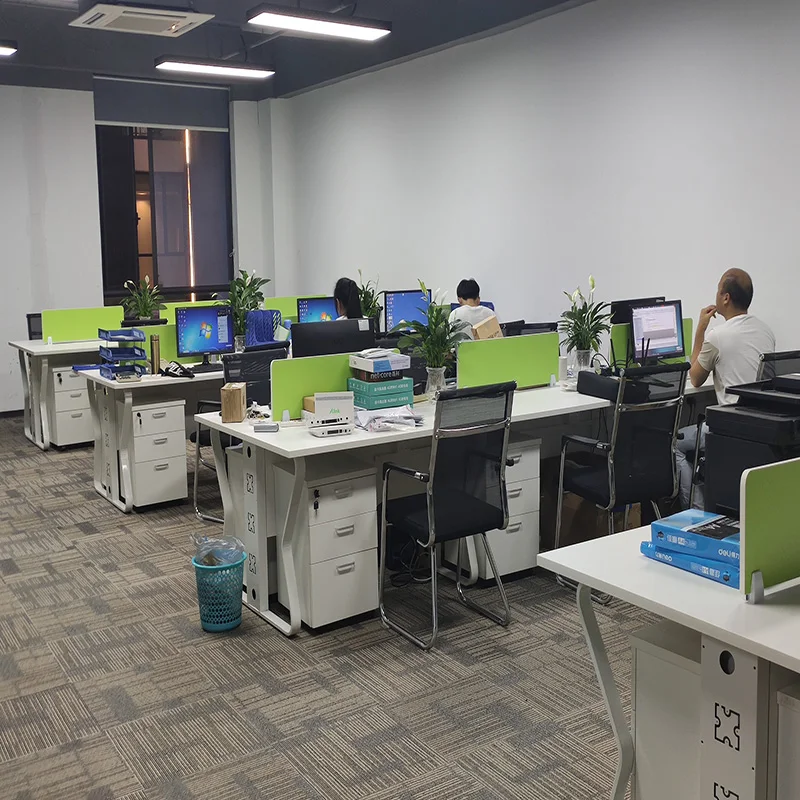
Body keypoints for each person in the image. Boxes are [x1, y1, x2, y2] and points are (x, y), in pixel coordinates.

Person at [676, 268, 775, 508]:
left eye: (718, 289)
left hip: (730, 428)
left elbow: (695, 378)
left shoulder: (718, 336)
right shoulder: (766, 332)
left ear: (726, 298)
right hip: (761, 427)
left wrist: (700, 329)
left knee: (676, 444)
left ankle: (696, 512)